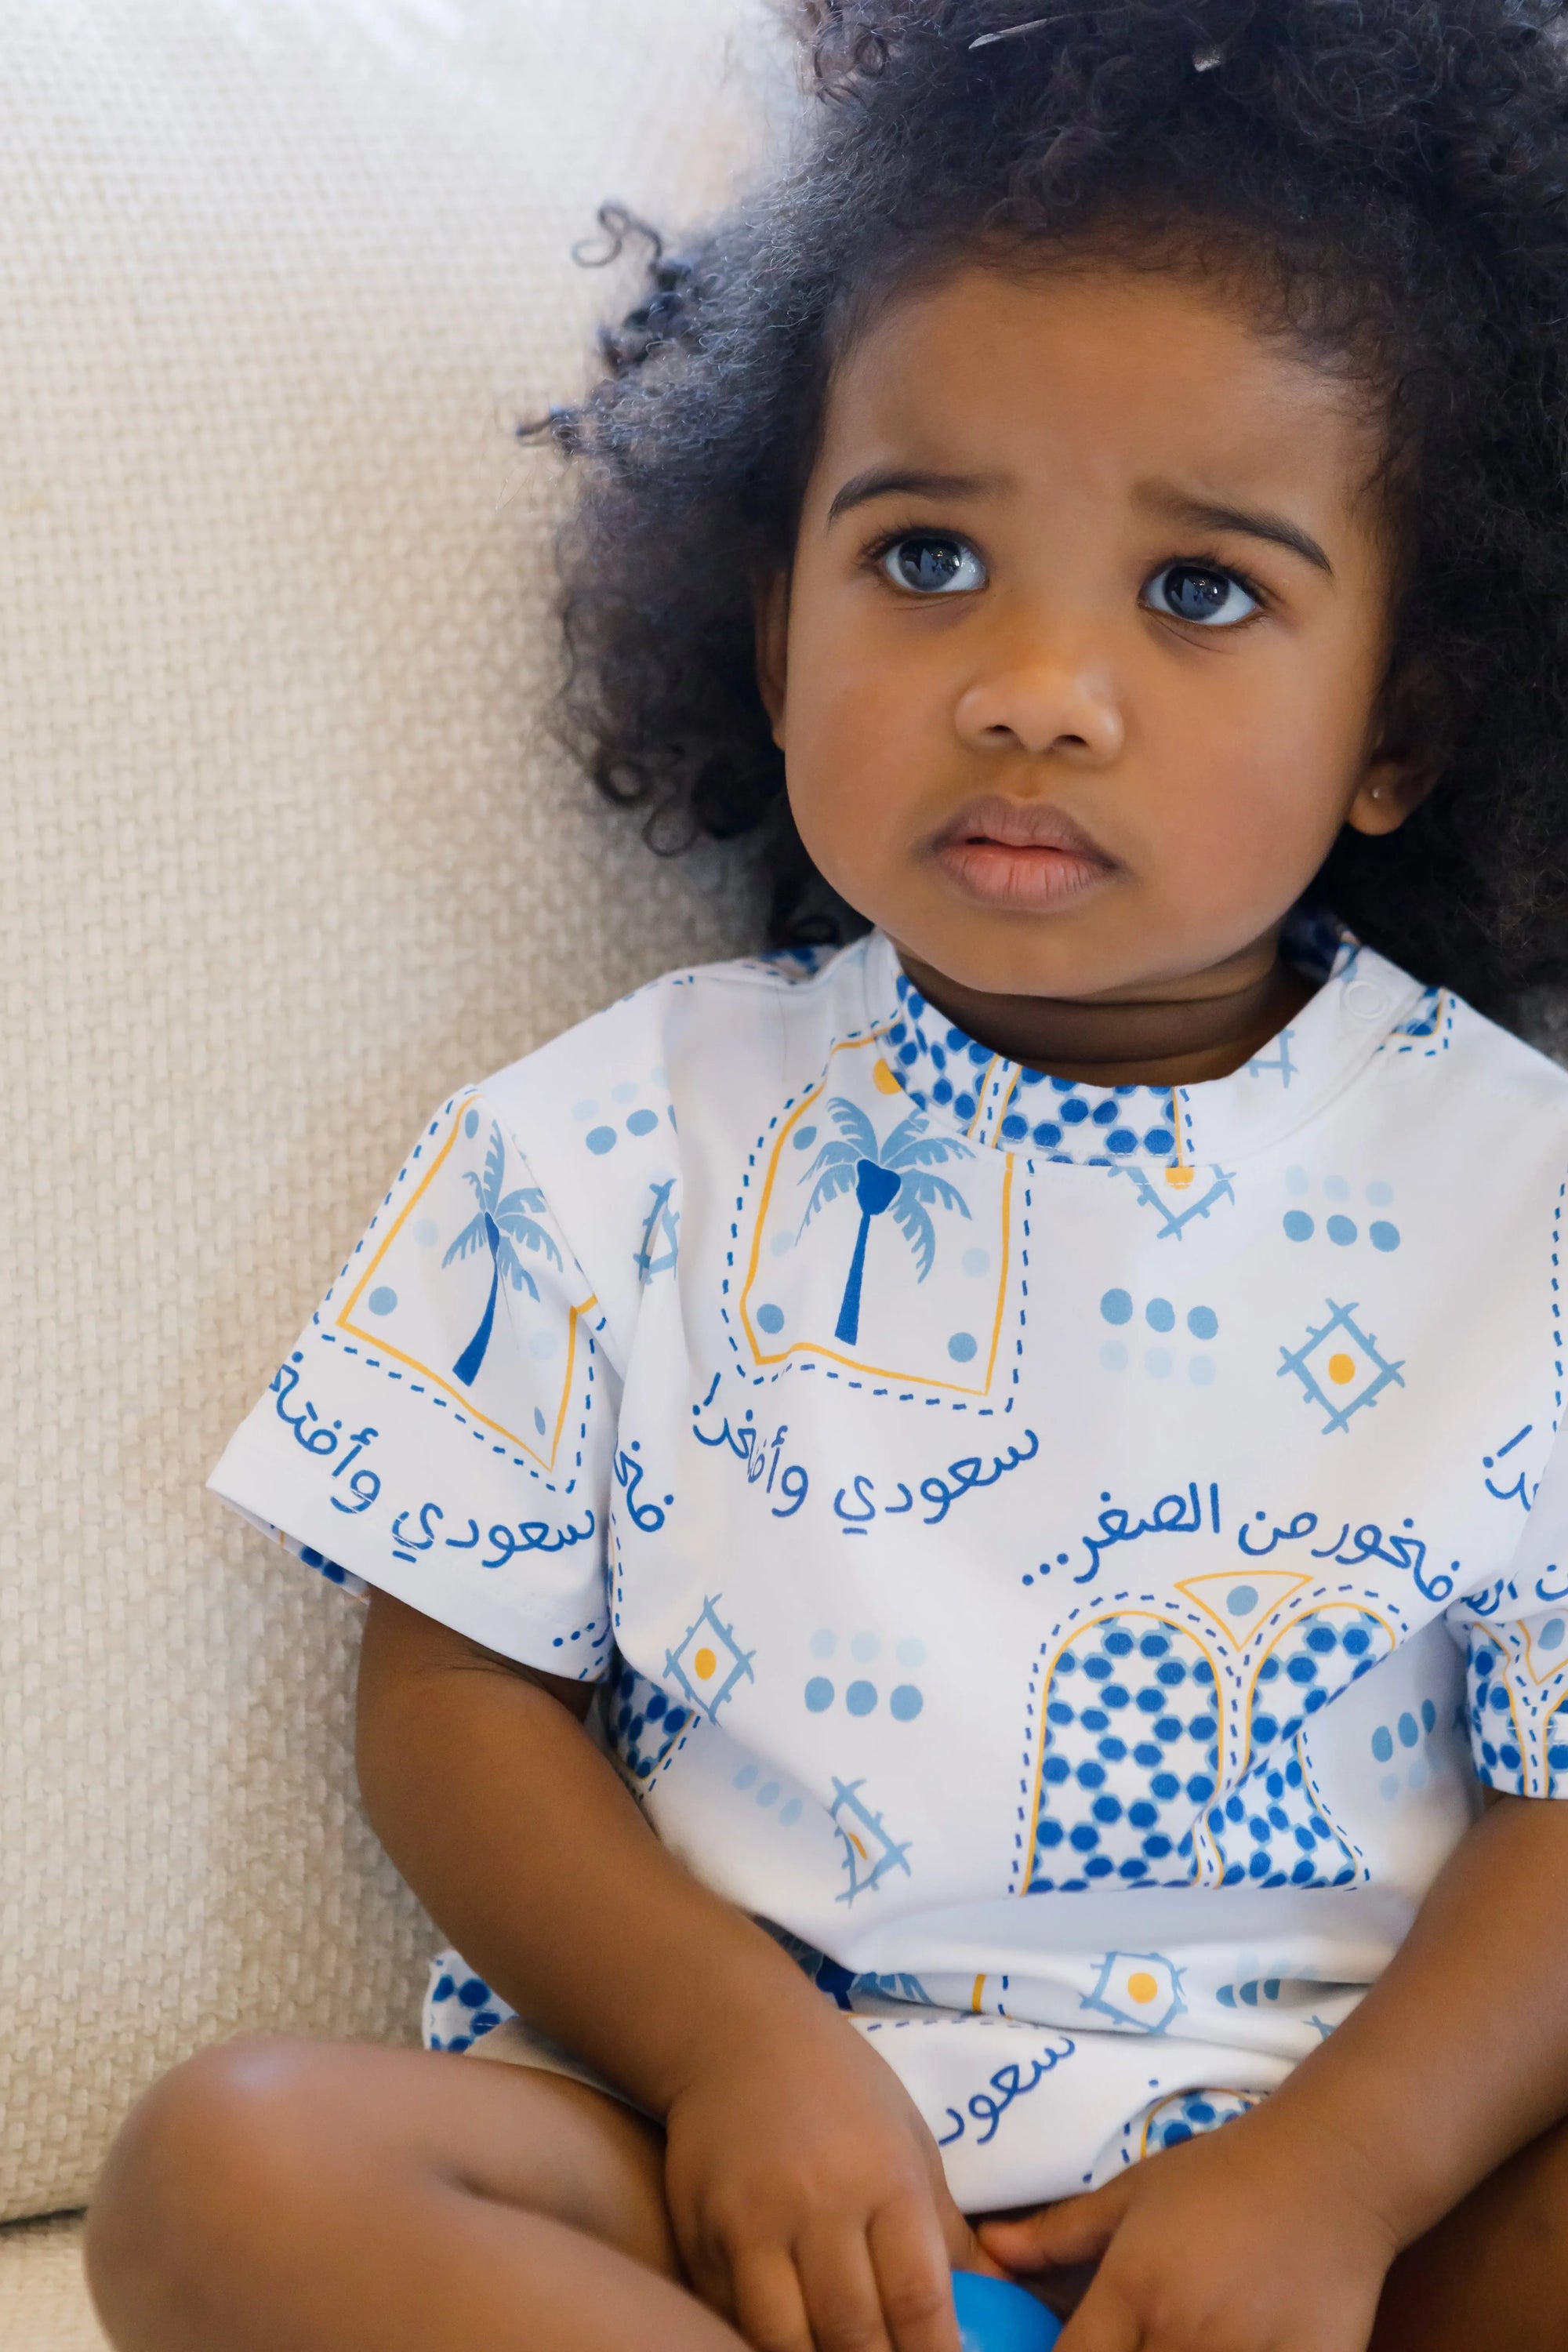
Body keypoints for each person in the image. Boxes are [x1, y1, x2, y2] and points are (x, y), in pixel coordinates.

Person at [84, 2, 1568, 2347]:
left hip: (1332, 2233)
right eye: (926, 558)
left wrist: (1340, 2179)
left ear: (1403, 723)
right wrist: (735, 2053)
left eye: (1199, 594)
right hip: (732, 2195)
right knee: (235, 2163)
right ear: (771, 622)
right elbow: (455, 1691)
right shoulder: (605, 1142)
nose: (1037, 687)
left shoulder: (1536, 1207)